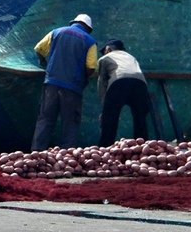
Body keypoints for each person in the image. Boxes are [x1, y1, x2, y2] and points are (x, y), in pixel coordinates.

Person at [30, 14, 97, 151]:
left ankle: (36, 153)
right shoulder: (90, 41)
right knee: (70, 123)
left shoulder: (56, 32)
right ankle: (66, 158)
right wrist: (83, 77)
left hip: (51, 84)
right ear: (88, 28)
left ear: (73, 22)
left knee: (45, 119)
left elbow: (38, 48)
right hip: (72, 88)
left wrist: (43, 61)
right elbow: (91, 66)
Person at [97, 39, 150, 147]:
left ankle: (105, 148)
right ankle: (142, 148)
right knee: (140, 119)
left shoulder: (104, 58)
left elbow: (102, 82)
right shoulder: (131, 57)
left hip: (119, 83)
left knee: (110, 119)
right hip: (140, 85)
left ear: (108, 49)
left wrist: (104, 107)